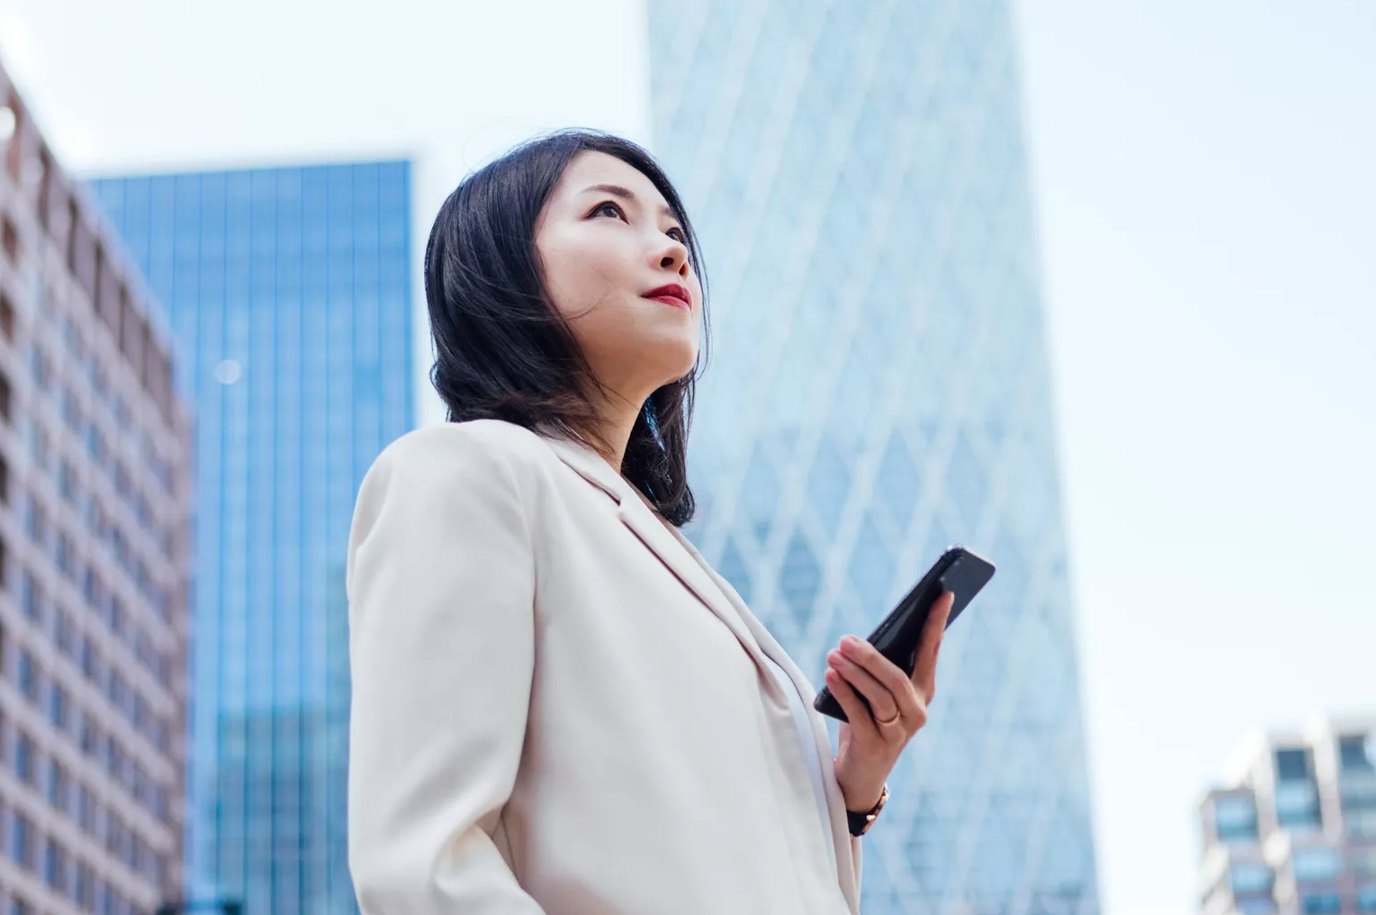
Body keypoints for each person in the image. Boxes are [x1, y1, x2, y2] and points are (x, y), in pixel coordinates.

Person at [345, 130, 956, 914]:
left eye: (674, 233)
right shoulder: (467, 472)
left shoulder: (670, 557)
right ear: (501, 270)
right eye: (608, 211)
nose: (671, 253)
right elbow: (425, 872)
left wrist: (853, 788)